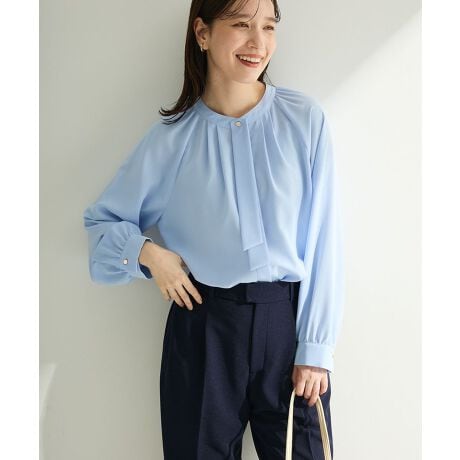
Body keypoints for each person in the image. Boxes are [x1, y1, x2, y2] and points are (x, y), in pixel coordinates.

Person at [82, 0, 345, 458]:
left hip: (287, 326)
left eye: (269, 27)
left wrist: (315, 348)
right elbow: (101, 226)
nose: (258, 42)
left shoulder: (303, 120)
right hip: (203, 328)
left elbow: (325, 241)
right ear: (202, 33)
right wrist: (148, 254)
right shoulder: (172, 139)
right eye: (241, 24)